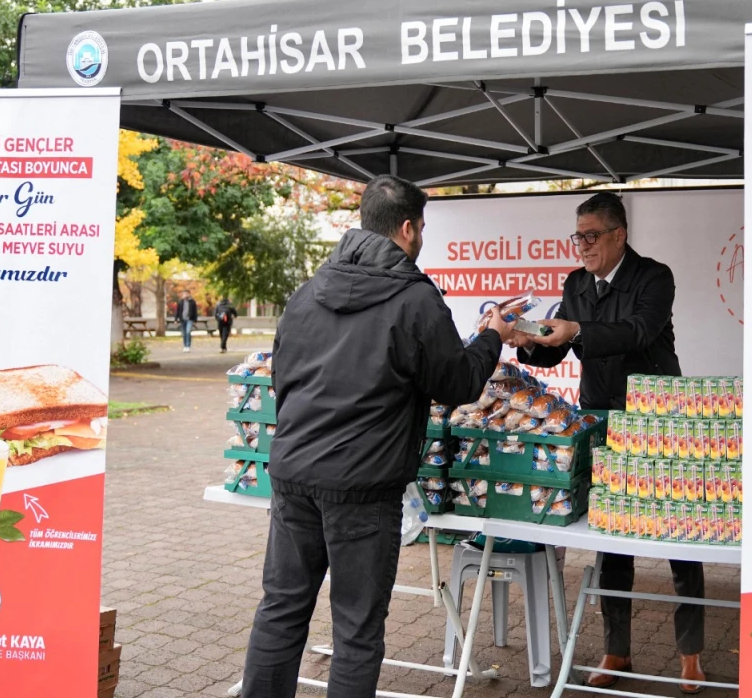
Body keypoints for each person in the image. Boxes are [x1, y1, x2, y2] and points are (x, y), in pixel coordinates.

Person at [242, 175, 514, 698]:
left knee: (281, 608)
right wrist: (491, 337)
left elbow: (282, 380)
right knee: (357, 630)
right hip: (363, 490)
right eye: (423, 228)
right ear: (409, 228)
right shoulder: (414, 298)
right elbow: (455, 383)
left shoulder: (306, 293)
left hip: (294, 475)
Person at [508, 192, 708, 694]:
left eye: (591, 235)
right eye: (577, 236)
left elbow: (638, 331)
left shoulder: (653, 277)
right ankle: (616, 649)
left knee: (680, 535)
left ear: (620, 235)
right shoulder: (576, 284)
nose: (582, 246)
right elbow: (559, 351)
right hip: (602, 419)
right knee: (611, 538)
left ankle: (692, 653)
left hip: (660, 420)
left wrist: (576, 329)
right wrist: (527, 339)